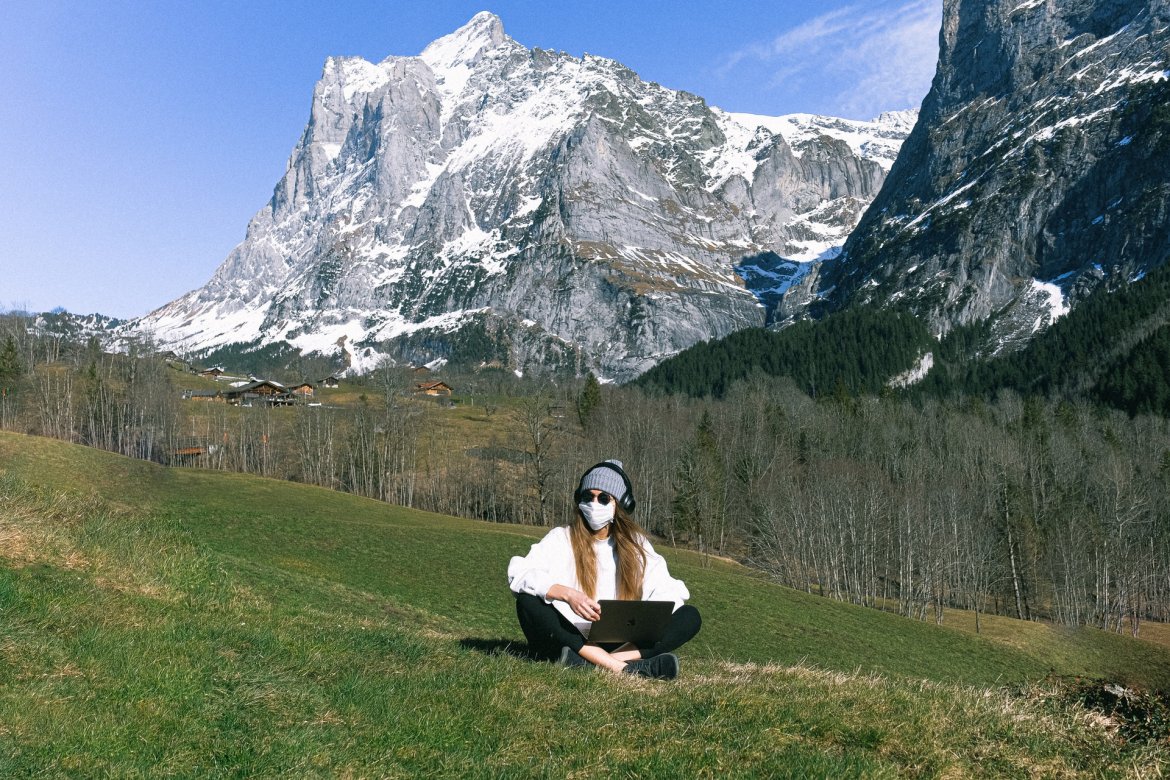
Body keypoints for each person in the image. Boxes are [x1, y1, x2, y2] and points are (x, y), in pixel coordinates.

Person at [507, 460, 701, 680]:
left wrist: (646, 615)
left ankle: (597, 663)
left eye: (603, 498)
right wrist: (568, 594)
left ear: (619, 504)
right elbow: (519, 572)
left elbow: (670, 591)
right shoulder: (561, 538)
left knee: (689, 616)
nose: (594, 503)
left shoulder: (636, 545)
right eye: (588, 496)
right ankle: (625, 668)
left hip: (618, 640)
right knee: (527, 602)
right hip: (571, 636)